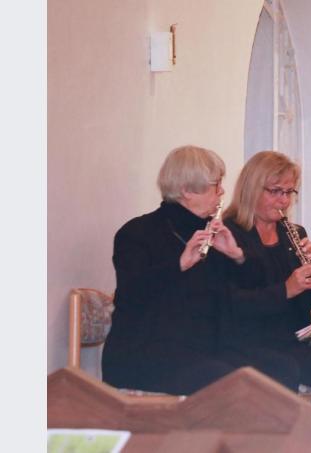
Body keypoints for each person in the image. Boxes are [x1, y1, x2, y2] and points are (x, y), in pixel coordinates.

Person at [103, 145, 299, 395]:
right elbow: (131, 295)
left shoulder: (212, 232)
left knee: (281, 368)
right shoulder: (137, 233)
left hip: (205, 348)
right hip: (145, 351)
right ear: (186, 190)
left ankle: (264, 435)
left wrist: (237, 256)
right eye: (215, 185)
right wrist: (179, 265)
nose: (222, 192)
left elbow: (251, 285)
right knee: (227, 381)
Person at [221, 150, 311, 403]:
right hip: (247, 342)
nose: (283, 201)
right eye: (275, 191)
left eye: (289, 192)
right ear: (252, 189)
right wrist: (286, 289)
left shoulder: (293, 233)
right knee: (285, 369)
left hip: (293, 340)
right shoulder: (229, 235)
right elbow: (231, 303)